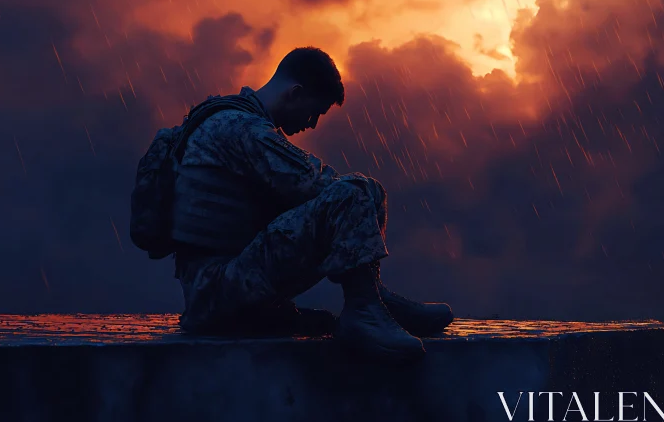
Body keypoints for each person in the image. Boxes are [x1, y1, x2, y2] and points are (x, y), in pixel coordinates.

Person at [171, 46, 453, 360]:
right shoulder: (243, 129)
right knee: (356, 192)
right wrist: (362, 195)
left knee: (363, 191)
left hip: (215, 289)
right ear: (295, 93)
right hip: (217, 293)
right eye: (313, 112)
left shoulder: (230, 118)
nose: (313, 125)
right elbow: (317, 185)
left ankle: (372, 299)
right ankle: (365, 311)